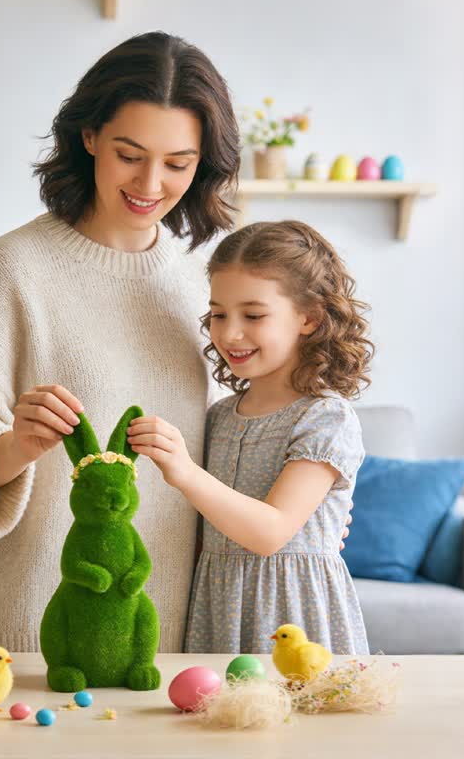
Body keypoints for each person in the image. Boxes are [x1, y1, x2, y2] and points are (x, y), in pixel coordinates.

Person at [0, 31, 242, 652]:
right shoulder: (12, 268)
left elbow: (240, 424)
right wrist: (14, 445)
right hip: (27, 627)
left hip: (160, 629)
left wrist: (304, 510)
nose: (151, 182)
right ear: (88, 137)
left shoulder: (202, 285)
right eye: (129, 153)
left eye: (178, 163)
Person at [127, 220, 373, 654]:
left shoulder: (325, 417)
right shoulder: (220, 415)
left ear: (309, 318)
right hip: (217, 605)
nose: (229, 333)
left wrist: (183, 471)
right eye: (219, 314)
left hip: (293, 614)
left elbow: (270, 532)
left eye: (253, 315)